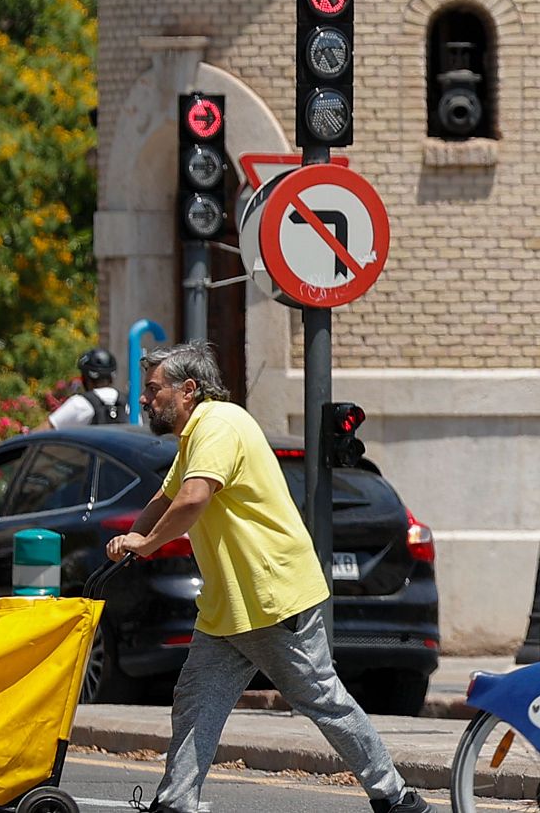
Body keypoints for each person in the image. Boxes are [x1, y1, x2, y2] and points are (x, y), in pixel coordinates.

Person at [105, 342, 427, 813]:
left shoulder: (218, 425)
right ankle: (175, 802)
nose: (144, 399)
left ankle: (395, 796)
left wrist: (147, 544)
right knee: (196, 702)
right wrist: (132, 538)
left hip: (272, 598)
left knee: (322, 699)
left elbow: (193, 498)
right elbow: (166, 496)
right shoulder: (196, 434)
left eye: (153, 389)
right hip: (231, 604)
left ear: (188, 389)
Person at [38, 347, 128, 430]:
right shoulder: (127, 403)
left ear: (86, 378)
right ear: (111, 377)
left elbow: (44, 430)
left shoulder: (80, 403)